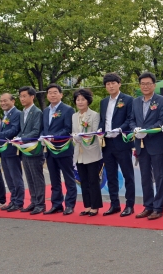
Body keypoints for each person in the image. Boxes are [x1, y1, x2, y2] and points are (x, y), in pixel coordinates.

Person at [129, 72, 163, 220]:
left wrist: (146, 131)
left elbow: (162, 120)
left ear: (154, 85)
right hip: (140, 144)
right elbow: (131, 120)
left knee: (159, 176)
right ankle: (148, 206)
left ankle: (158, 208)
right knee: (145, 176)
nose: (145, 86)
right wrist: (135, 129)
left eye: (148, 83)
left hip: (156, 143)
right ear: (140, 86)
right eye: (143, 84)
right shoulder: (135, 102)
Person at [99, 72, 136, 217]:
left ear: (119, 84)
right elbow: (103, 120)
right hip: (107, 143)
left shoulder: (128, 100)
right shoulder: (103, 102)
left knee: (128, 175)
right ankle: (114, 204)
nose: (110, 86)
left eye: (113, 83)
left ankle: (130, 205)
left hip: (122, 141)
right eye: (108, 84)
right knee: (111, 175)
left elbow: (130, 119)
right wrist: (99, 131)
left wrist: (120, 129)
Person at [41, 84, 77, 215]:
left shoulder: (67, 110)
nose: (52, 95)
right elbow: (44, 128)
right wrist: (42, 136)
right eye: (50, 92)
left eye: (55, 92)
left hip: (63, 148)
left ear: (61, 94)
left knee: (68, 178)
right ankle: (56, 204)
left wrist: (54, 137)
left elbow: (68, 129)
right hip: (49, 150)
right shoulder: (45, 111)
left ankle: (70, 205)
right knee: (54, 179)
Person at [72, 88, 103, 216]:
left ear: (88, 101)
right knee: (83, 180)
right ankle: (87, 205)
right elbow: (73, 130)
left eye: (83, 99)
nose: (80, 102)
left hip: (92, 152)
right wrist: (75, 136)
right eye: (78, 100)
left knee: (93, 180)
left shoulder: (94, 115)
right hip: (79, 152)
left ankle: (95, 206)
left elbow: (95, 132)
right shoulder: (74, 116)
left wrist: (83, 136)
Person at [16, 87, 46, 215]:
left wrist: (21, 138)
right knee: (29, 177)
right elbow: (22, 130)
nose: (22, 99)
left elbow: (36, 131)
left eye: (24, 96)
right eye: (20, 96)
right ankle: (33, 201)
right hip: (24, 149)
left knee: (37, 177)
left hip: (34, 149)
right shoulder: (22, 112)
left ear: (32, 97)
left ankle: (40, 204)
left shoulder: (37, 112)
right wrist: (16, 138)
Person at [0, 93, 24, 212]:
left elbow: (14, 130)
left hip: (12, 149)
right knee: (8, 177)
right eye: (1, 101)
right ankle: (13, 200)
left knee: (16, 177)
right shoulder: (6, 114)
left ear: (13, 101)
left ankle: (19, 201)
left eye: (5, 100)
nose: (2, 103)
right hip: (4, 149)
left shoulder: (17, 113)